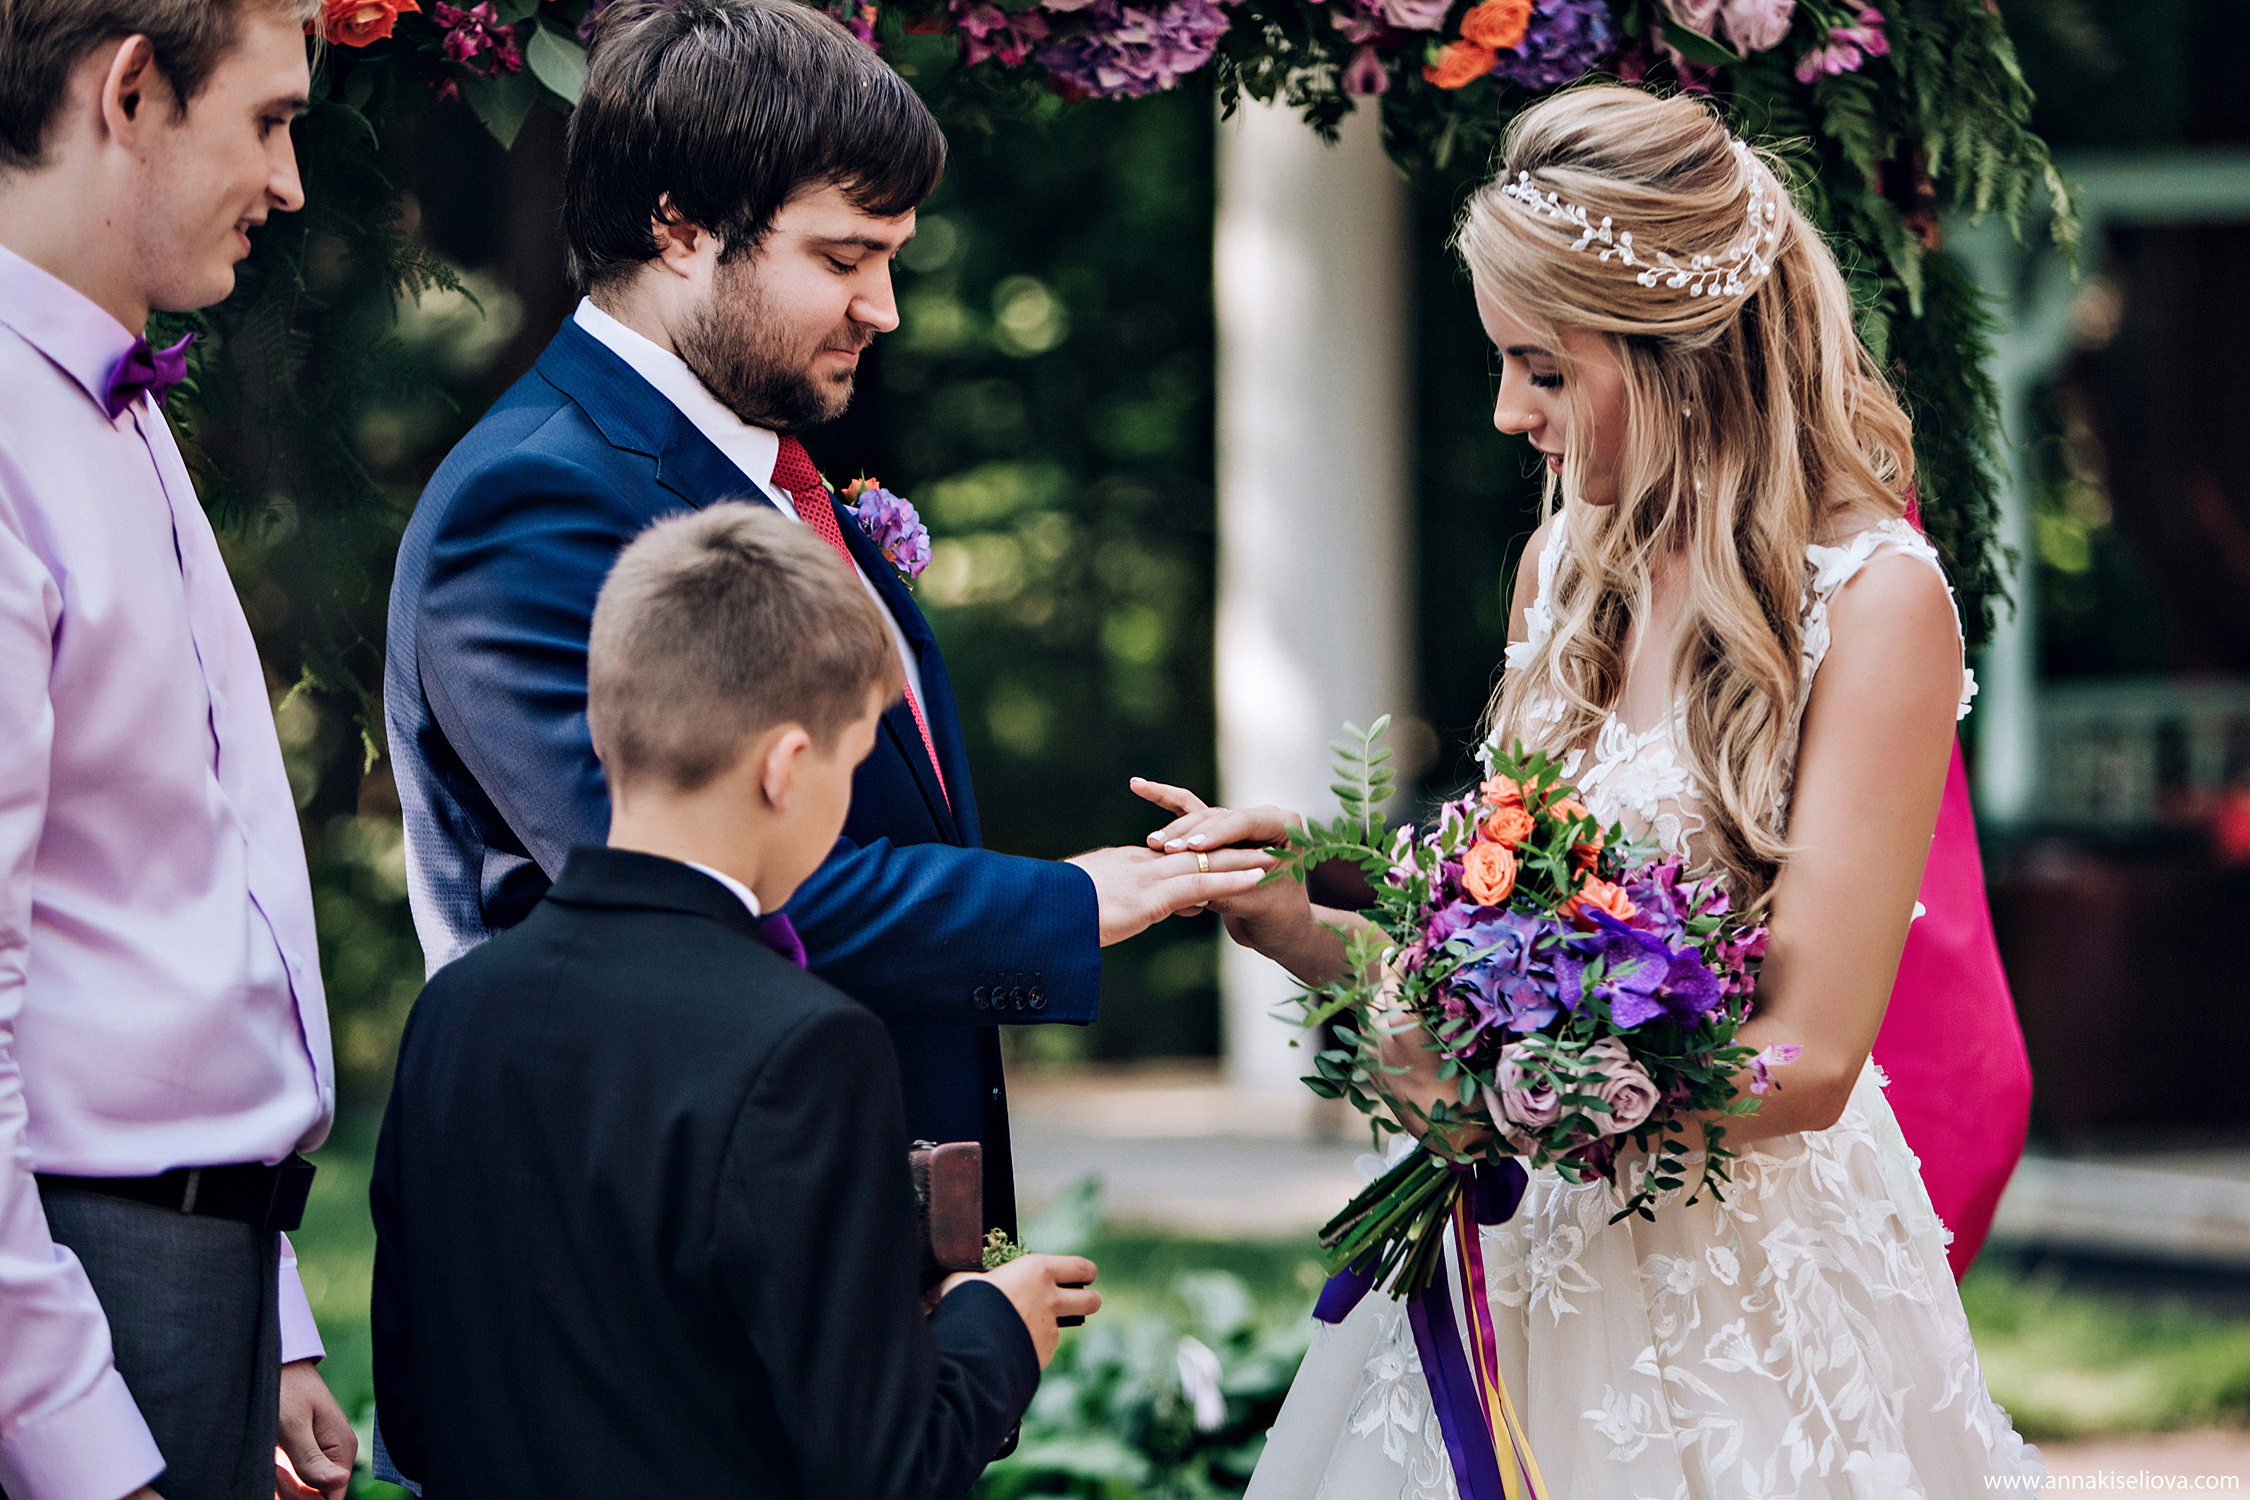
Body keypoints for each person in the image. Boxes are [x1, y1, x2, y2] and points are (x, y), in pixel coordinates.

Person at [1141, 87, 2046, 1497]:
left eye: (1544, 371)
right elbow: (1515, 927)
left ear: (1680, 354)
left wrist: (1508, 1090)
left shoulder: (1871, 603)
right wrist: (1307, 913)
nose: (1509, 413)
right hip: (1526, 1243)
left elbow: (1804, 1063)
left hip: (1743, 1270)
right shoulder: (1562, 570)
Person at [383, 0, 1259, 1250]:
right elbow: (687, 887)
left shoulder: (758, 470)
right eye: (845, 259)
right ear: (678, 226)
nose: (884, 307)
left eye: (892, 258)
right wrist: (1068, 904)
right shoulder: (535, 502)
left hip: (829, 1236)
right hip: (653, 1247)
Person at [370, 504, 1097, 1497]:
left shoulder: (455, 1015)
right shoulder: (805, 1046)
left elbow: (412, 1422)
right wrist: (993, 1329)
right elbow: (886, 1467)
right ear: (787, 768)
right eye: (849, 768)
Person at [0, 3, 357, 1499]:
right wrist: (72, 1432)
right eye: (270, 122)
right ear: (131, 94)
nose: (291, 184)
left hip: (193, 1263)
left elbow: (181, 883)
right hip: (80, 1284)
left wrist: (265, 1308)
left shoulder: (108, 398)